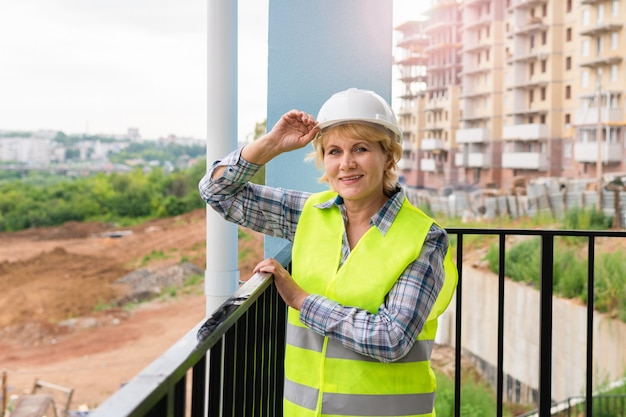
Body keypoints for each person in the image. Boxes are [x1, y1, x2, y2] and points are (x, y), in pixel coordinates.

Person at [199, 88, 457, 417]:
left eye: (361, 149)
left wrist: (302, 300)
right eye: (334, 151)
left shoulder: (424, 239)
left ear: (388, 156)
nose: (346, 164)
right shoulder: (308, 213)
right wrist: (270, 146)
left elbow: (391, 339)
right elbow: (217, 192)